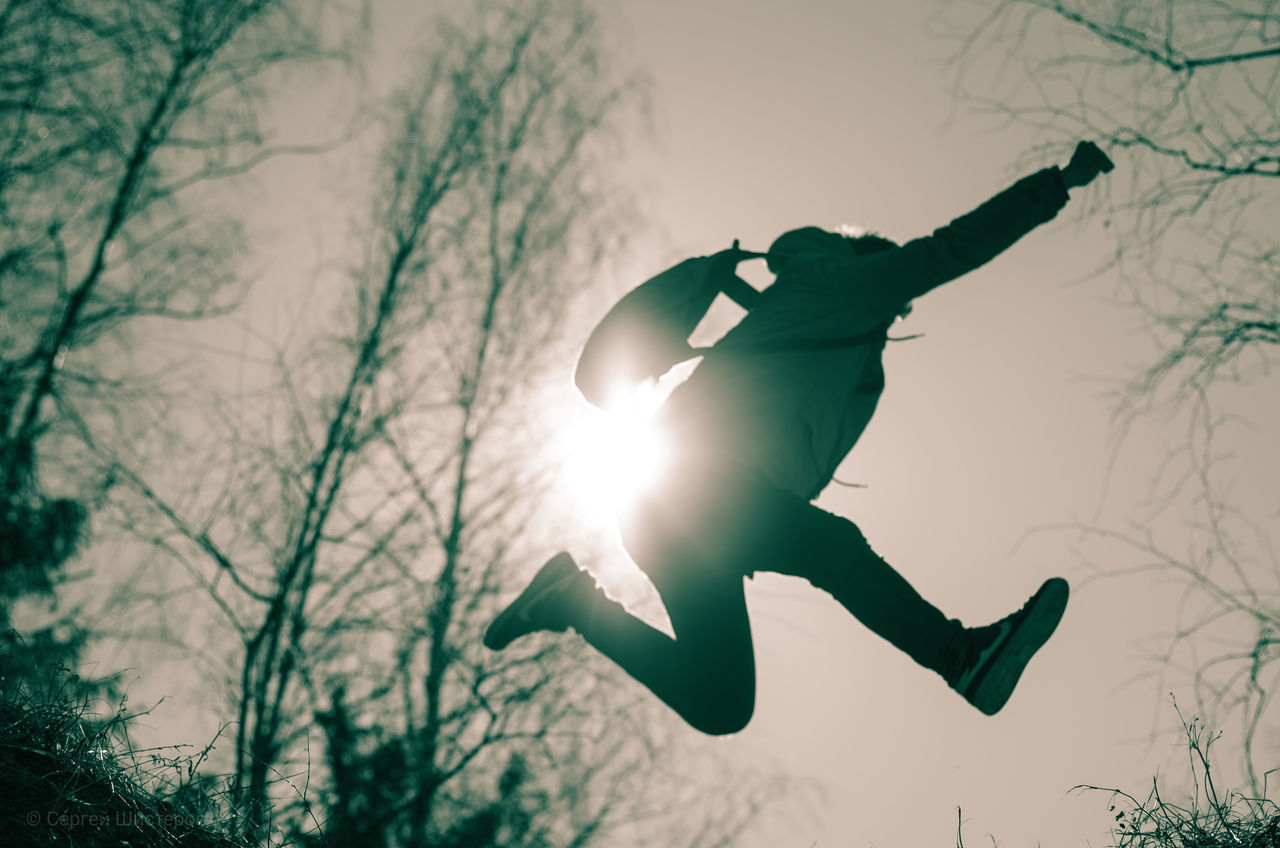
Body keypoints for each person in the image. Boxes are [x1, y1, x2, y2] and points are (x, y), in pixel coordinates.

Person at [484, 141, 1115, 735]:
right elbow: (951, 249)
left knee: (723, 702)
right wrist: (1057, 184)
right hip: (692, 490)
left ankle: (573, 601)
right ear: (873, 263)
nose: (900, 311)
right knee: (833, 546)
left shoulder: (844, 351)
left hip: (681, 518)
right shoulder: (842, 282)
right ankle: (962, 657)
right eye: (898, 298)